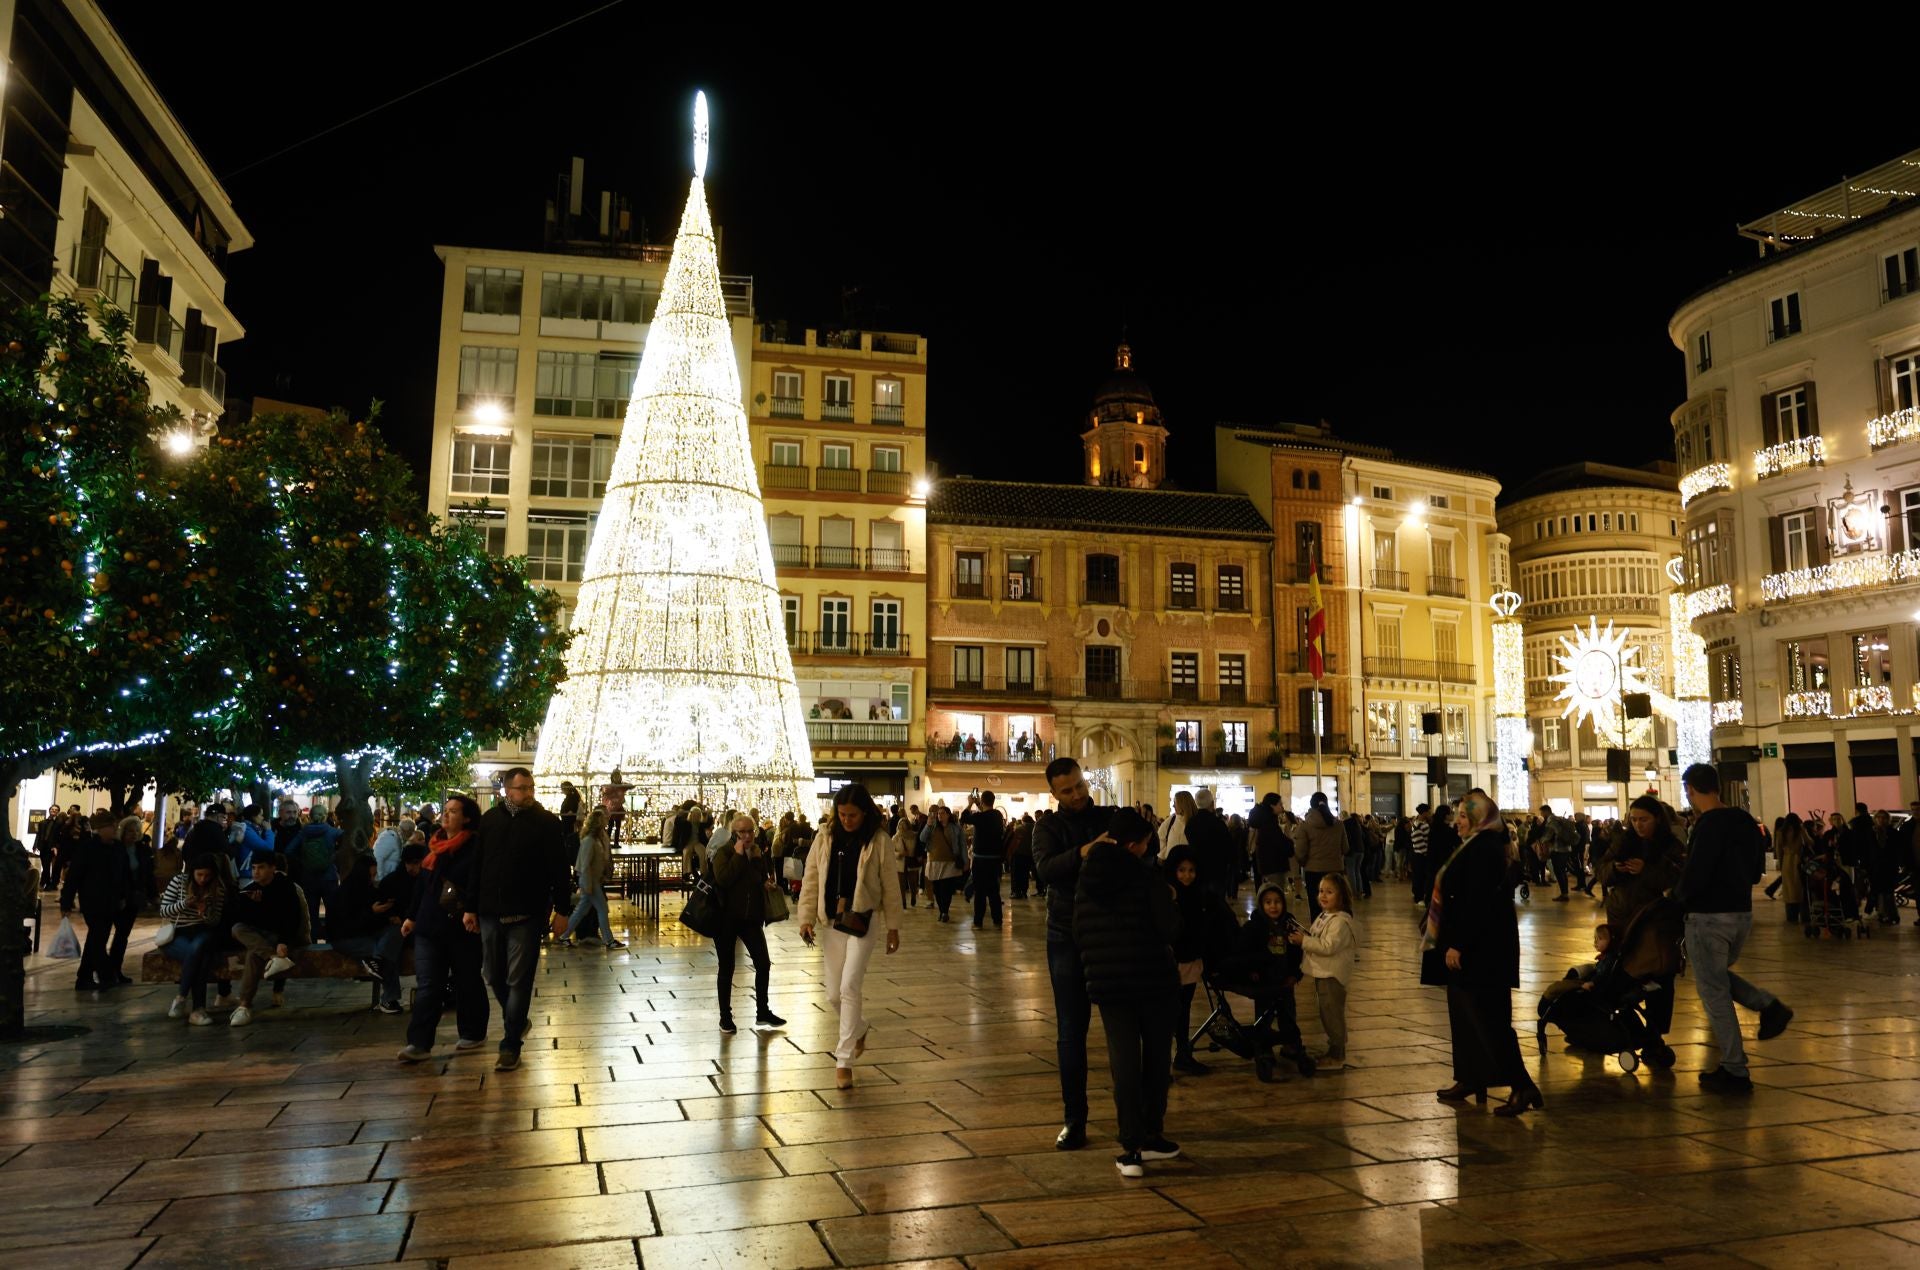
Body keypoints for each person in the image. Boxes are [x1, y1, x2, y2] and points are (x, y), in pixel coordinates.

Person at [1074, 806, 1181, 1178]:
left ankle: (1130, 1147)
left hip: (1109, 983)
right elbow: (1169, 929)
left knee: (1124, 1063)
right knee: (1155, 1059)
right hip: (1152, 979)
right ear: (1134, 845)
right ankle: (1152, 1134)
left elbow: (1079, 931)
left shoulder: (1087, 880)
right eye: (1148, 843)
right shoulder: (1146, 877)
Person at [1678, 763, 1792, 1093]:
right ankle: (1768, 1006)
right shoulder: (1745, 821)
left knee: (1713, 991)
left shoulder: (1707, 824)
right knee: (1715, 977)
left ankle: (1734, 1069)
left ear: (1691, 789)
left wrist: (1677, 897)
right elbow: (1757, 872)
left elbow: (1696, 872)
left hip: (1707, 916)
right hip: (1741, 914)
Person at [1430, 791, 1540, 1116]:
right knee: (1465, 1016)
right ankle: (1470, 1077)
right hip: (1476, 948)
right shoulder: (1475, 845)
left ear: (1479, 819)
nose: (1457, 822)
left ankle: (1522, 1086)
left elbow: (1478, 903)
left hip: (1483, 951)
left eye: (1464, 816)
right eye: (1458, 815)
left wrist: (1459, 943)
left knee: (1491, 1021)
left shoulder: (1485, 850)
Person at [463, 766, 572, 1072]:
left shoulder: (546, 823)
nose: (527, 793)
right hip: (489, 911)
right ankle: (518, 1021)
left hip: (527, 913)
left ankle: (510, 1044)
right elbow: (478, 865)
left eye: (530, 788)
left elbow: (559, 869)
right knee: (493, 974)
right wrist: (470, 906)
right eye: (521, 788)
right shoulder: (491, 820)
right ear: (507, 790)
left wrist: (561, 910)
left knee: (519, 981)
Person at [797, 784, 903, 1089]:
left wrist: (893, 926)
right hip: (831, 921)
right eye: (842, 814)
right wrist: (805, 919)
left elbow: (890, 886)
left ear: (865, 812)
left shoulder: (879, 840)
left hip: (862, 921)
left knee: (849, 985)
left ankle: (843, 1060)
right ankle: (858, 1029)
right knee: (832, 993)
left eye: (853, 815)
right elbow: (811, 879)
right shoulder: (824, 837)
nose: (847, 820)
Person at [1030, 757, 1110, 1151]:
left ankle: (1139, 1115)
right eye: (1067, 790)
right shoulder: (1047, 826)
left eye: (1079, 785)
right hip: (1066, 934)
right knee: (1070, 1031)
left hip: (1113, 934)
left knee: (1123, 1027)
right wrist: (1085, 852)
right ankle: (1074, 1118)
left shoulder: (1110, 816)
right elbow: (1045, 869)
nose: (1077, 794)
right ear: (1054, 794)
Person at [398, 795, 489, 1062]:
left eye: (453, 812)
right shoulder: (434, 846)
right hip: (429, 924)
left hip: (461, 924)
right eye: (445, 811)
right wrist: (411, 917)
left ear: (467, 817)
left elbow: (474, 883)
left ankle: (473, 1032)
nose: (446, 816)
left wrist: (471, 909)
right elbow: (423, 887)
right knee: (428, 985)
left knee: (467, 979)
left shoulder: (474, 847)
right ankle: (419, 1043)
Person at [1164, 844, 1234, 1075]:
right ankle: (1169, 1059)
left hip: (1191, 960)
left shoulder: (1200, 895)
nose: (1187, 875)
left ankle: (1182, 1053)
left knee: (1183, 1010)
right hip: (1172, 961)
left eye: (1191, 870)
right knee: (1170, 1011)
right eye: (1181, 870)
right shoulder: (1167, 895)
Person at [711, 812, 784, 1032]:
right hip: (725, 919)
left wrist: (766, 884)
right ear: (733, 833)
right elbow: (724, 879)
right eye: (741, 832)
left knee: (763, 964)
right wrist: (739, 856)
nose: (747, 835)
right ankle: (725, 1017)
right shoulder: (723, 852)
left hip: (750, 918)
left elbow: (758, 879)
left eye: (750, 831)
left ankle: (763, 1011)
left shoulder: (756, 852)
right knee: (727, 967)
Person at [61, 810, 135, 991]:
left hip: (112, 902)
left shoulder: (117, 848)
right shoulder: (87, 848)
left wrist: (124, 896)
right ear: (101, 829)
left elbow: (124, 875)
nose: (115, 829)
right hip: (92, 902)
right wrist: (66, 901)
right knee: (97, 938)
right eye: (112, 827)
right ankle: (106, 974)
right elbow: (74, 876)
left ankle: (84, 977)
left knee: (97, 939)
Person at [228, 852, 304, 1026]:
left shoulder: (285, 887)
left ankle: (244, 1006)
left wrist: (283, 942)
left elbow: (290, 918)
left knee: (253, 956)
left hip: (279, 936)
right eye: (254, 868)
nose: (256, 872)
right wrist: (253, 905)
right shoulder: (251, 889)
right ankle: (273, 958)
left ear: (272, 868)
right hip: (261, 937)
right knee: (237, 929)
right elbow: (243, 919)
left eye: (261, 868)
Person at [1291, 872, 1358, 1070]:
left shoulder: (1340, 922)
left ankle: (1337, 1055)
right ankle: (1333, 1050)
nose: (1323, 895)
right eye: (1321, 891)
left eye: (1329, 892)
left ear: (1342, 896)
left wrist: (1305, 941)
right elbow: (1317, 937)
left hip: (1332, 975)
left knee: (1332, 1014)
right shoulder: (1325, 916)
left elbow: (1328, 946)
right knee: (1326, 1012)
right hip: (1324, 972)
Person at [327, 852, 406, 1013]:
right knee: (385, 953)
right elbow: (347, 925)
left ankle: (377, 959)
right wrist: (371, 912)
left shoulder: (368, 889)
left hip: (366, 934)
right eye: (370, 875)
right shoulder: (345, 893)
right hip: (346, 938)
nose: (372, 879)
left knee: (392, 937)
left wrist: (387, 914)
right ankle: (389, 999)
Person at [158, 854, 228, 1024]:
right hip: (178, 933)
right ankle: (198, 1010)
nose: (203, 879)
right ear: (192, 873)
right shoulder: (178, 882)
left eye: (207, 875)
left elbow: (215, 921)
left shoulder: (217, 888)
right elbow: (164, 910)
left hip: (203, 932)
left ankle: (181, 997)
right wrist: (184, 904)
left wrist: (204, 913)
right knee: (200, 957)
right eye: (199, 875)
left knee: (198, 948)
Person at [558, 807, 624, 950]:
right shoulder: (589, 840)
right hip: (590, 881)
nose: (607, 821)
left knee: (581, 910)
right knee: (602, 909)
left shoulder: (595, 838)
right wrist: (587, 883)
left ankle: (564, 936)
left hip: (592, 880)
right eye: (604, 819)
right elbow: (586, 864)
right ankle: (609, 940)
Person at [1292, 792, 1345, 918]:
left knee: (1316, 906)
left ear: (1311, 805)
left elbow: (1300, 851)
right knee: (1336, 906)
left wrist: (1303, 862)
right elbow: (1345, 848)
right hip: (1335, 870)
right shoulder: (1339, 825)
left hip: (1313, 871)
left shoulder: (1304, 826)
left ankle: (1317, 934)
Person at [962, 791, 1006, 929]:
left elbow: (964, 818)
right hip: (995, 860)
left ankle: (978, 922)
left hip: (981, 860)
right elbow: (986, 815)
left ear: (982, 801)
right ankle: (997, 921)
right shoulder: (998, 815)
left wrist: (970, 804)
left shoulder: (979, 817)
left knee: (980, 892)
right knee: (994, 892)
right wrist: (979, 805)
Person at [919, 803, 966, 921]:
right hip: (935, 861)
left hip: (950, 863)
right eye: (938, 814)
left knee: (946, 888)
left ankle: (945, 911)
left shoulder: (955, 827)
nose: (940, 815)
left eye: (942, 813)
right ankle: (942, 910)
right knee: (937, 889)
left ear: (948, 815)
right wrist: (928, 825)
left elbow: (962, 845)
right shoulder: (932, 826)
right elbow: (922, 838)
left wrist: (965, 861)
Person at [1184, 789, 1234, 899]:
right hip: (1217, 871)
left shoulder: (1190, 824)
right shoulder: (1218, 824)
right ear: (1212, 804)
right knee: (1216, 904)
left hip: (1197, 870)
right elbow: (1229, 848)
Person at [1769, 813, 1811, 923]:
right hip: (1799, 861)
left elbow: (1778, 851)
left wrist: (1781, 864)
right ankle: (1804, 916)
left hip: (1787, 862)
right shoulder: (1800, 830)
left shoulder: (1780, 833)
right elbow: (1810, 842)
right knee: (1800, 889)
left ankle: (1791, 916)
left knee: (1789, 890)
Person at [1250, 792, 1290, 885]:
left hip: (1268, 865)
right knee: (1275, 892)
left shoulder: (1266, 820)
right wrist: (1290, 844)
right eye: (1280, 804)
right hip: (1273, 866)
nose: (1282, 806)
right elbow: (1278, 842)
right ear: (1272, 806)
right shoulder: (1269, 822)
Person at [892, 808, 922, 909]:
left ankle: (913, 896)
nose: (901, 827)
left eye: (903, 825)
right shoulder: (895, 837)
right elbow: (891, 851)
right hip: (900, 864)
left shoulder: (914, 836)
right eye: (900, 825)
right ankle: (903, 902)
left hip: (911, 863)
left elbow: (917, 848)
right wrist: (899, 854)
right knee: (901, 885)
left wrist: (916, 854)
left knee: (913, 884)